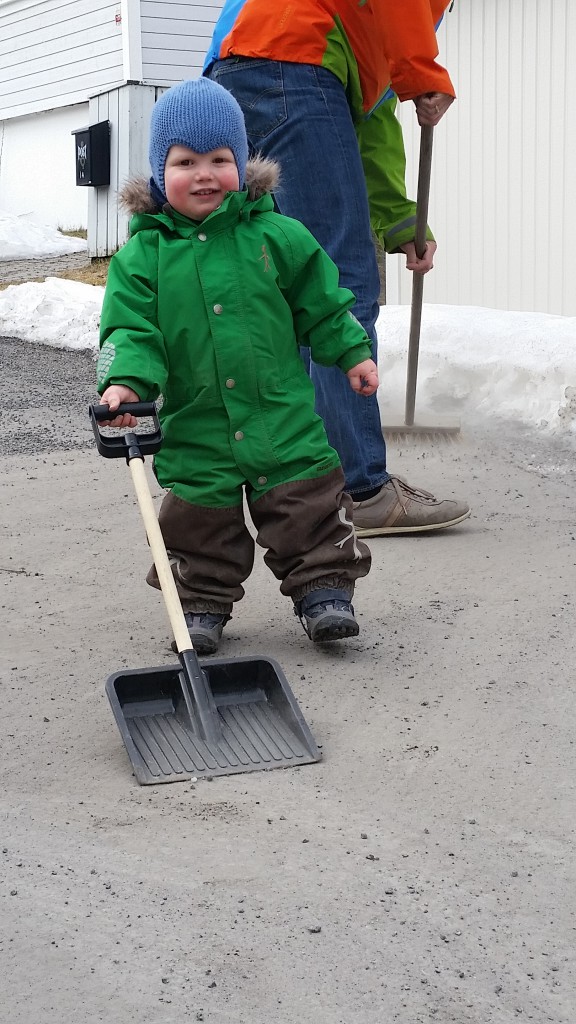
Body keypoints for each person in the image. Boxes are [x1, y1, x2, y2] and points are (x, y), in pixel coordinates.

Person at [96, 77, 378, 654]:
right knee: (199, 519)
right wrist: (125, 380)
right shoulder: (141, 257)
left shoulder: (279, 236)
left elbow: (322, 304)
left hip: (280, 412)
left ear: (242, 163)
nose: (204, 174)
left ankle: (324, 591)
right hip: (198, 419)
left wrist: (351, 351)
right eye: (185, 161)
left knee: (307, 503)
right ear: (158, 172)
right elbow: (130, 329)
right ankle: (199, 603)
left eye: (220, 158)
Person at [204, 0, 471, 536]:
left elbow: (369, 130)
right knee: (337, 285)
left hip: (234, 69)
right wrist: (422, 72)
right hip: (295, 62)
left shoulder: (347, 42)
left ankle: (291, 475)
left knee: (276, 280)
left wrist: (401, 222)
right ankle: (361, 488)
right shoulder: (343, 33)